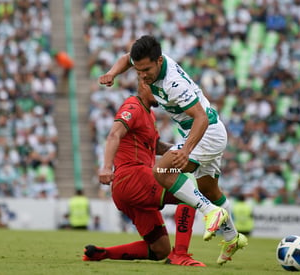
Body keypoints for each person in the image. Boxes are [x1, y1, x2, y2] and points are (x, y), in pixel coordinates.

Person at [99, 35, 248, 265]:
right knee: (208, 188)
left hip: (206, 133)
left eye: (146, 69)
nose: (142, 76)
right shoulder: (148, 66)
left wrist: (186, 150)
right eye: (138, 71)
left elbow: (200, 118)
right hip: (204, 132)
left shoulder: (173, 84)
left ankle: (210, 211)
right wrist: (112, 73)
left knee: (161, 171)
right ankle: (231, 238)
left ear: (159, 61)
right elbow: (125, 59)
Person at [83, 80, 226, 266]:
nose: (161, 92)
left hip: (126, 189)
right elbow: (114, 134)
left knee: (159, 249)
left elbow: (156, 147)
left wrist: (187, 152)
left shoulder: (148, 113)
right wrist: (105, 167)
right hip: (133, 177)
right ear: (143, 85)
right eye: (156, 88)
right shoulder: (133, 106)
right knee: (188, 189)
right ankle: (180, 254)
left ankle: (100, 254)